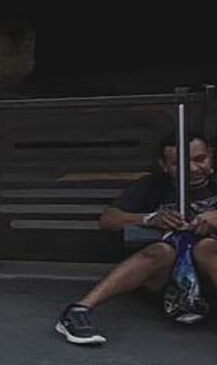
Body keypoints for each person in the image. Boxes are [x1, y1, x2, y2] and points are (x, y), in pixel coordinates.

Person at [53, 132, 217, 345]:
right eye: (179, 164)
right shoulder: (152, 186)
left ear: (211, 155)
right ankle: (78, 311)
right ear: (164, 165)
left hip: (209, 274)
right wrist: (149, 219)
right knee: (162, 251)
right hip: (164, 279)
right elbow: (108, 220)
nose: (192, 169)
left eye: (200, 159)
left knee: (206, 247)